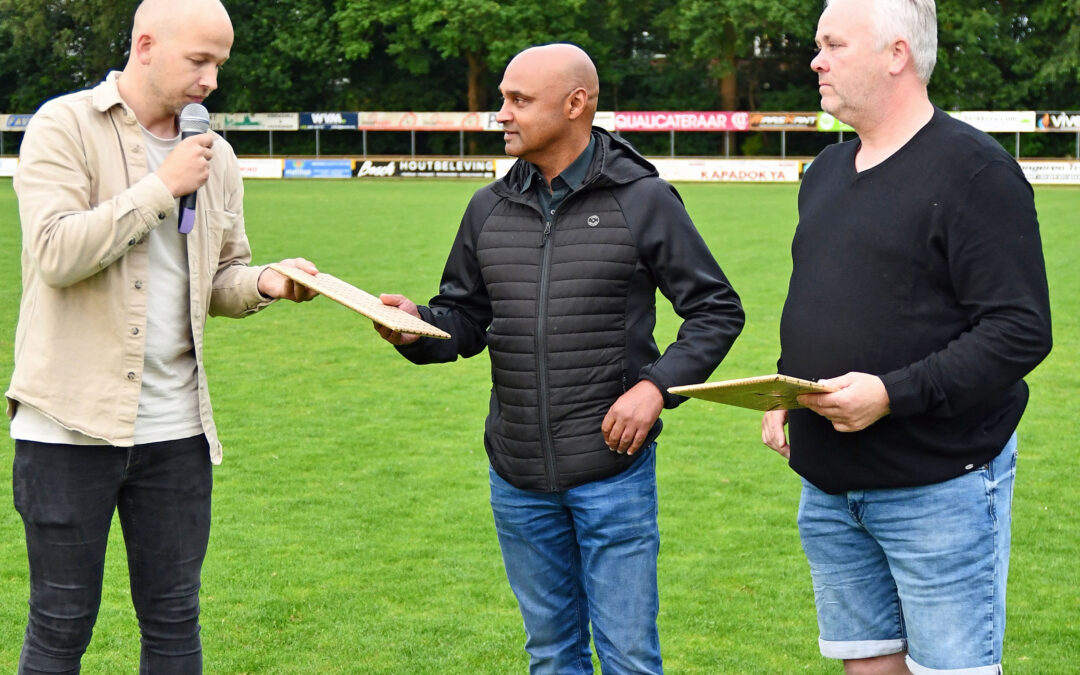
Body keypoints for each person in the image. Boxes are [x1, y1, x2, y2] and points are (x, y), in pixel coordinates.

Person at [375, 43, 744, 674]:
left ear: (576, 104)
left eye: (518, 100)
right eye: (502, 98)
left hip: (612, 473)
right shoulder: (487, 207)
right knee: (550, 656)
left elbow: (716, 310)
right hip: (515, 476)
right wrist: (416, 329)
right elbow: (463, 319)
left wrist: (656, 387)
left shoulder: (644, 199)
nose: (501, 114)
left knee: (629, 657)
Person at [7, 0, 319, 671]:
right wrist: (160, 185)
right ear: (145, 45)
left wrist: (265, 281)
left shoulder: (218, 157)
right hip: (67, 426)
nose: (211, 79)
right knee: (60, 626)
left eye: (219, 64)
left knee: (176, 622)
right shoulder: (65, 125)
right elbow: (57, 254)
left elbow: (218, 277)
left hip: (177, 431)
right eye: (198, 60)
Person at [761, 0, 1053, 673]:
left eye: (833, 44)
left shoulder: (974, 170)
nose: (816, 60)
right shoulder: (827, 171)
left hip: (937, 485)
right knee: (866, 662)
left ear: (896, 54)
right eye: (817, 44)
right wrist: (784, 383)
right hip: (829, 484)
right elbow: (823, 296)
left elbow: (1019, 330)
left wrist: (892, 393)